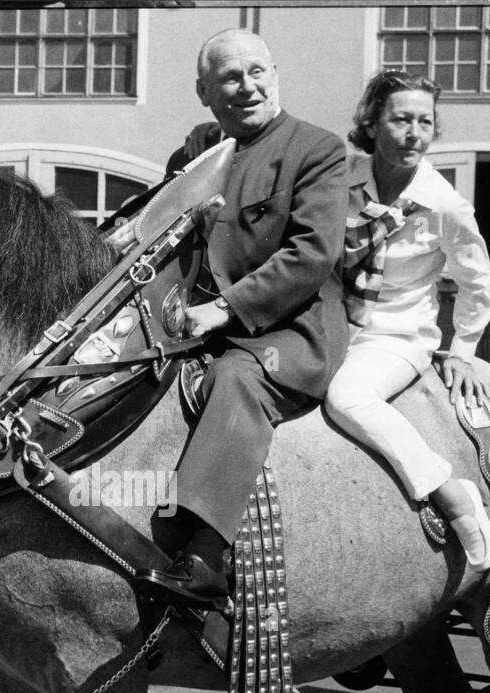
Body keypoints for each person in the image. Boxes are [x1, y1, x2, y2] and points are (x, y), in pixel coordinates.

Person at [133, 28, 350, 608]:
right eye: (230, 77)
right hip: (196, 321)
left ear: (275, 74)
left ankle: (205, 557)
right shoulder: (195, 155)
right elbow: (163, 237)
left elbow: (312, 255)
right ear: (205, 92)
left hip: (288, 330)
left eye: (257, 72)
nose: (247, 87)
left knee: (237, 378)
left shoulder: (317, 149)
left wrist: (222, 311)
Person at [326, 69, 490, 570]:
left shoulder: (445, 204)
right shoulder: (342, 181)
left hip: (396, 337)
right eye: (401, 119)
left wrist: (464, 351)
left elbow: (475, 283)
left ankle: (450, 492)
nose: (413, 133)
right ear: (372, 123)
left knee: (347, 398)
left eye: (425, 122)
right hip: (333, 325)